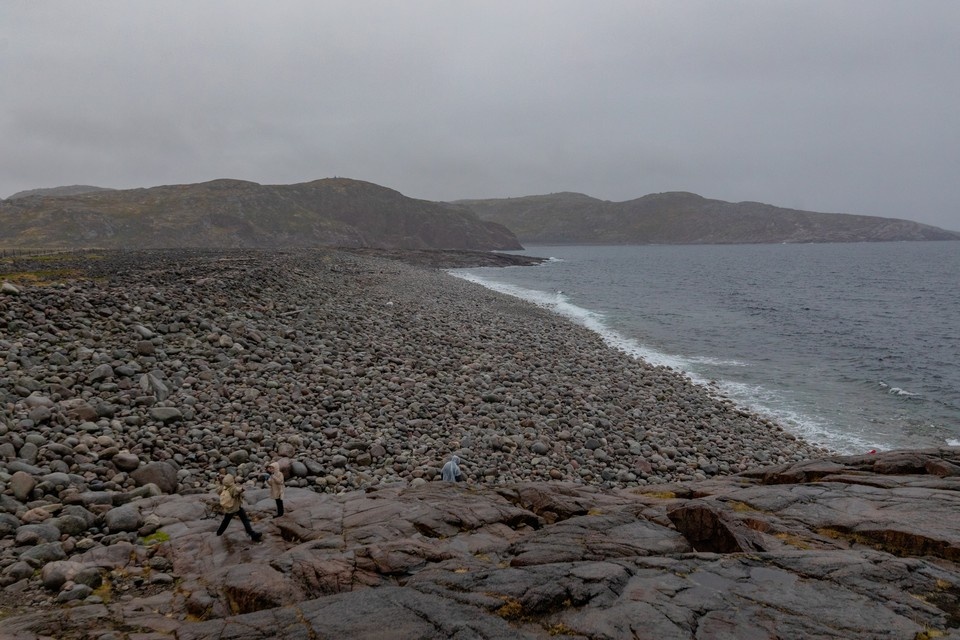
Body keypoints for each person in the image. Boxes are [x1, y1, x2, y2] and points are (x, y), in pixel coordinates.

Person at [216, 474, 262, 541]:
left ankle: (219, 533)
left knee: (226, 521)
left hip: (230, 508)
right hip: (235, 507)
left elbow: (218, 491)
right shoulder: (233, 487)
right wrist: (242, 489)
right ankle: (252, 534)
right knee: (245, 520)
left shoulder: (224, 487)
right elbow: (237, 490)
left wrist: (221, 481)